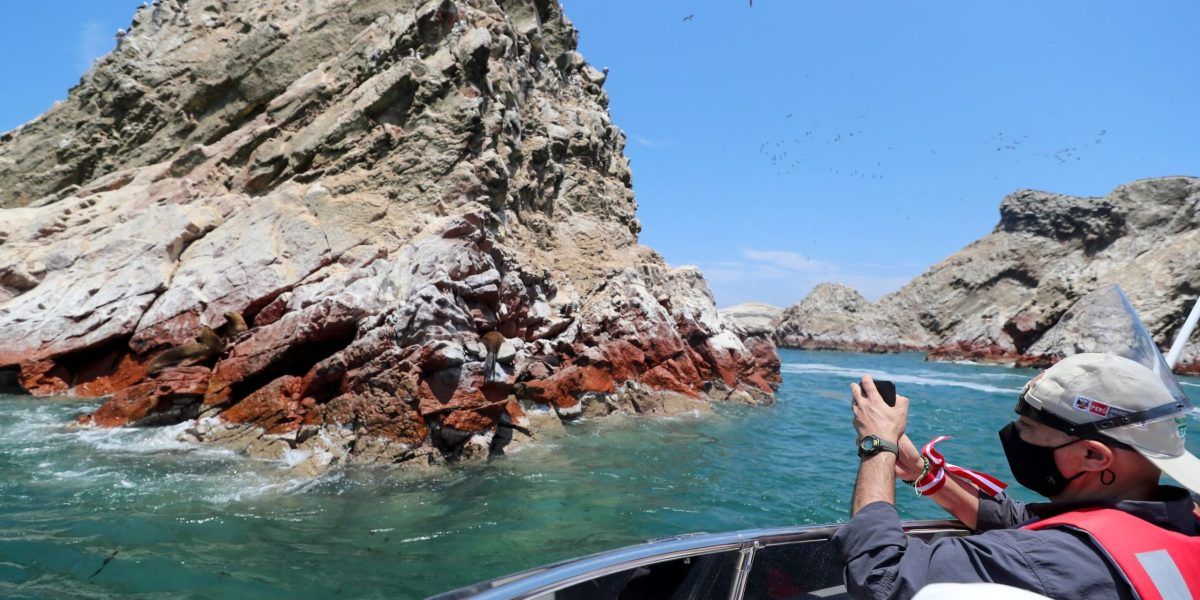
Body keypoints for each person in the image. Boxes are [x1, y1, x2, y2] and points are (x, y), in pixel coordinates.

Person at [833, 352, 1200, 600]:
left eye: (1027, 426)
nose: (1015, 433)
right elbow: (1026, 521)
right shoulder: (1180, 519)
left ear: (1092, 455)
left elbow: (881, 580)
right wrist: (922, 472)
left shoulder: (1050, 559)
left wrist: (878, 446)